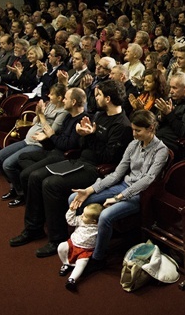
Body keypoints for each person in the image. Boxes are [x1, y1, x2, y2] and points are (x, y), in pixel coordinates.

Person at [68, 110, 170, 276]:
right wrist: (89, 190)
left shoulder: (161, 150)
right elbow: (117, 174)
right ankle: (83, 241)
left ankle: (98, 258)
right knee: (75, 198)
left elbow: (147, 180)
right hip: (123, 185)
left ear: (151, 128)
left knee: (105, 216)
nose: (134, 134)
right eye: (133, 129)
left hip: (139, 194)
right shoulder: (133, 144)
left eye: (138, 130)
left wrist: (118, 198)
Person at [0, 83, 69, 207]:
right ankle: (14, 185)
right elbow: (35, 121)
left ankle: (22, 193)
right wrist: (38, 113)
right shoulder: (50, 105)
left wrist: (41, 115)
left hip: (39, 144)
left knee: (8, 165)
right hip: (27, 140)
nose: (48, 96)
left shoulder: (63, 112)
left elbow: (51, 131)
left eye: (51, 94)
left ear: (60, 98)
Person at [154, 72, 185, 157]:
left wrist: (169, 114)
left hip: (174, 141)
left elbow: (183, 132)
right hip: (160, 134)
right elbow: (157, 122)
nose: (171, 91)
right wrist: (162, 115)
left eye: (174, 88)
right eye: (170, 87)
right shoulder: (171, 99)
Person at [58, 203, 104, 291]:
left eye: (85, 216)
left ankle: (72, 280)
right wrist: (71, 210)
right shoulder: (81, 219)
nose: (82, 216)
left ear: (94, 221)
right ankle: (66, 264)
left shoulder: (98, 227)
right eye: (82, 213)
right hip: (72, 243)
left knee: (81, 264)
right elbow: (70, 221)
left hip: (85, 250)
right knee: (61, 247)